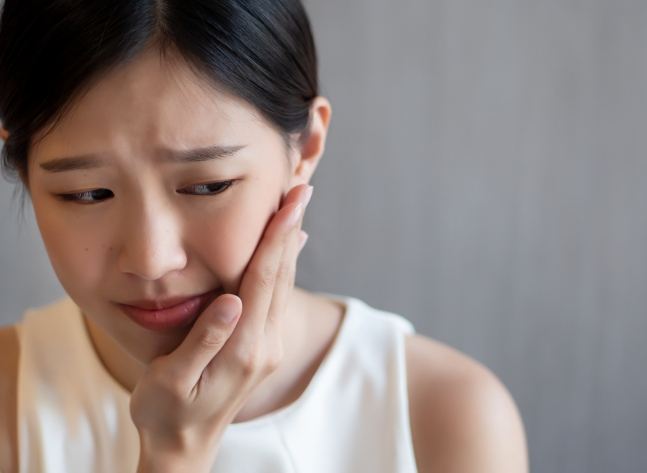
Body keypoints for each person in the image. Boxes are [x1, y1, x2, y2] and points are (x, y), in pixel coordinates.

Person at [0, 0, 528, 472]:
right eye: (88, 193)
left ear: (306, 147)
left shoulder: (444, 416)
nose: (152, 259)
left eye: (208, 185)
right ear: (24, 169)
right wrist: (174, 456)